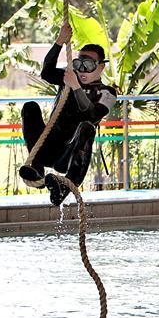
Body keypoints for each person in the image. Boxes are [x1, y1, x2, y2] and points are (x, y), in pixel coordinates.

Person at [19, 22, 117, 206]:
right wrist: (59, 42)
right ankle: (37, 168)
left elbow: (92, 114)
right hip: (47, 148)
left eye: (88, 65)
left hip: (69, 156)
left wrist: (76, 86)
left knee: (87, 127)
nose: (82, 70)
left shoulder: (107, 92)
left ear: (101, 67)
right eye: (79, 64)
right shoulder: (68, 78)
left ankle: (67, 185)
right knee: (30, 107)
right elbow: (46, 72)